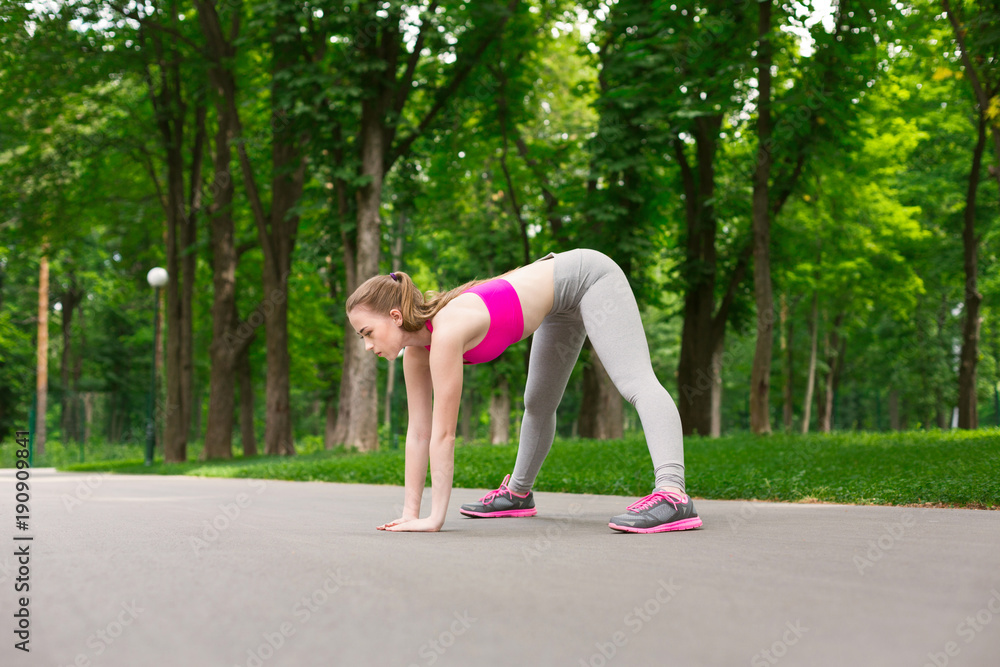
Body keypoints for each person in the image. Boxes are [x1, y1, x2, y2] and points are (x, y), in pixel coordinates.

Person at [345, 248, 702, 533]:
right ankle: (518, 494)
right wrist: (411, 515)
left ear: (394, 317)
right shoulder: (416, 353)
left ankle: (673, 494)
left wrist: (434, 519)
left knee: (635, 382)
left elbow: (444, 435)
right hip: (558, 304)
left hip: (588, 277)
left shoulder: (447, 332)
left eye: (367, 333)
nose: (366, 346)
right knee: (537, 403)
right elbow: (419, 432)